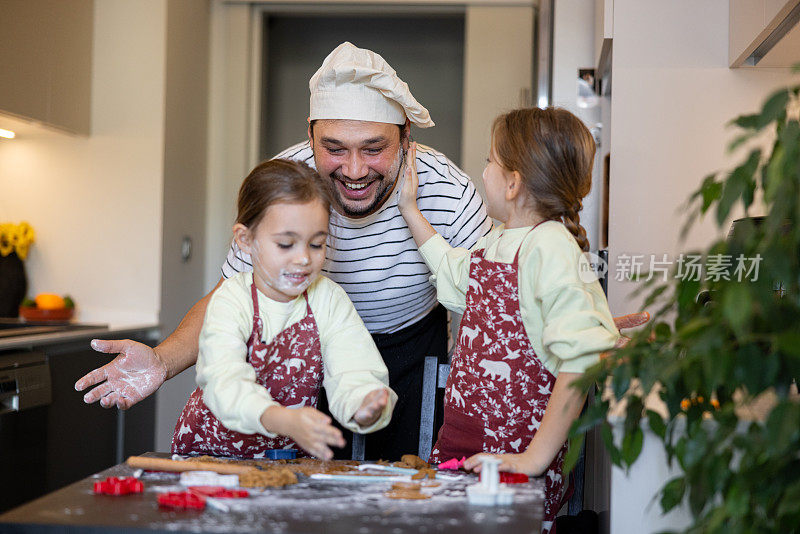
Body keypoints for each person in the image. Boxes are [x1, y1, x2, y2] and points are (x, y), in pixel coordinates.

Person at [75, 42, 647, 462]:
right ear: (310, 137)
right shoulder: (288, 185)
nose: (352, 171)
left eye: (373, 149)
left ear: (406, 142)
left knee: (404, 497)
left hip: (412, 355)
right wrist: (163, 360)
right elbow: (231, 295)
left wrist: (573, 319)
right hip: (308, 355)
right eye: (334, 148)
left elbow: (501, 288)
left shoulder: (446, 191)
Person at [397, 107, 619, 533]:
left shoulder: (549, 246)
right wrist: (410, 209)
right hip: (466, 452)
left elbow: (582, 360)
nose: (482, 174)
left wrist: (533, 459)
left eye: (489, 162)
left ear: (514, 183)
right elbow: (451, 271)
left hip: (515, 470)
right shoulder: (498, 241)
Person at [172, 159, 395, 460]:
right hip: (211, 457)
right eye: (286, 244)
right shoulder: (232, 299)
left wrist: (363, 403)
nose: (303, 258)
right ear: (246, 240)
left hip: (286, 460)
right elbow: (224, 383)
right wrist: (286, 420)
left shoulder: (327, 299)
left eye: (316, 245)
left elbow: (352, 369)